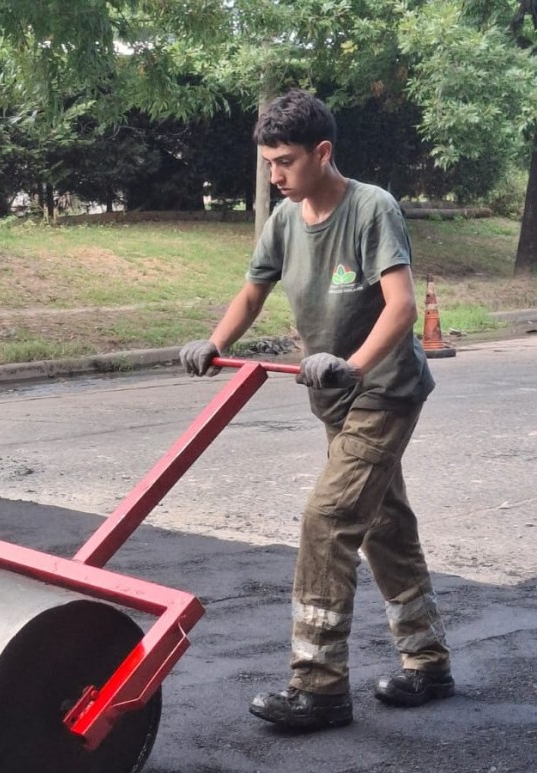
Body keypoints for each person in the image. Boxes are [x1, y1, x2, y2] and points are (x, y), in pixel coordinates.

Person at [181, 88, 453, 731]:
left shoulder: (370, 208)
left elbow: (402, 306)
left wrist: (353, 364)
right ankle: (429, 662)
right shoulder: (284, 220)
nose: (275, 176)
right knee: (383, 525)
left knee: (327, 521)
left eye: (285, 162)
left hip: (383, 390)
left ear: (321, 152)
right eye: (268, 164)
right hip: (333, 397)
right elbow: (252, 294)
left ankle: (320, 685)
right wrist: (216, 342)